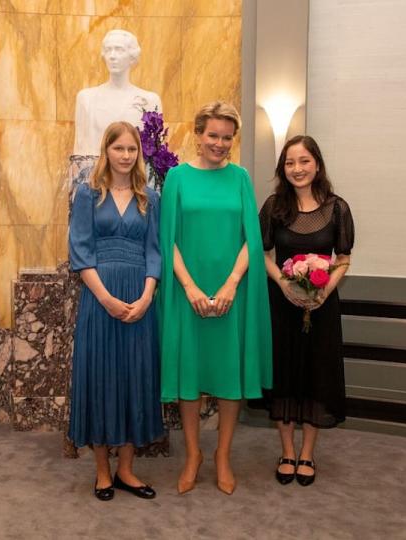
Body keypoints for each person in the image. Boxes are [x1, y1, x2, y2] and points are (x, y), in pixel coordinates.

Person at [157, 101, 272, 495]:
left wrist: (230, 285)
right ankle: (193, 455)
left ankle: (222, 454)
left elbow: (250, 241)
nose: (219, 143)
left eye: (227, 137)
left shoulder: (240, 178)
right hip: (186, 294)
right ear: (198, 133)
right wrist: (189, 287)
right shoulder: (176, 178)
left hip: (230, 296)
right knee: (189, 376)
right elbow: (166, 239)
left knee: (227, 378)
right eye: (213, 135)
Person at [67, 121, 164, 501]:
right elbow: (80, 251)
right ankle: (103, 472)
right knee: (102, 376)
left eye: (132, 149)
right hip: (99, 298)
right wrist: (106, 298)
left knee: (134, 378)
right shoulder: (87, 193)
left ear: (139, 154)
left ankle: (127, 469)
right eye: (118, 148)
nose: (125, 156)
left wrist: (146, 297)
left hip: (139, 298)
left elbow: (154, 251)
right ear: (105, 150)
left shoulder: (149, 197)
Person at [257, 135, 354, 487]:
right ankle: (286, 450)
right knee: (284, 375)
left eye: (304, 161)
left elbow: (343, 259)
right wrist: (284, 284)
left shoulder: (337, 208)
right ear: (283, 168)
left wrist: (324, 290)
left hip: (321, 307)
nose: (297, 169)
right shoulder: (274, 206)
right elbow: (261, 253)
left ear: (317, 164)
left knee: (316, 376)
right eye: (289, 163)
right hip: (281, 307)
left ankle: (308, 453)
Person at [73, 29, 163, 157]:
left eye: (119, 50)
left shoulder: (150, 101)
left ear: (132, 56)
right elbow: (80, 153)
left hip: (135, 175)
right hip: (96, 174)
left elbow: (155, 153)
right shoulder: (87, 98)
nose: (112, 56)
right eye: (108, 50)